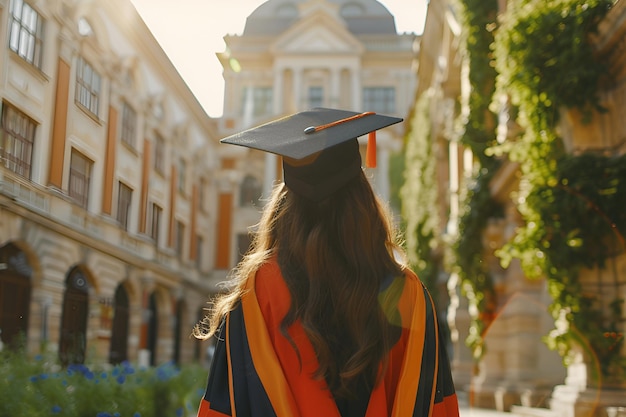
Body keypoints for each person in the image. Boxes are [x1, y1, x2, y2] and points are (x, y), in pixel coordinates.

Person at [195, 108, 460, 417]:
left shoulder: (258, 292)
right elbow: (436, 404)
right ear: (363, 200)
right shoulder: (406, 293)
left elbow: (225, 404)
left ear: (285, 206)